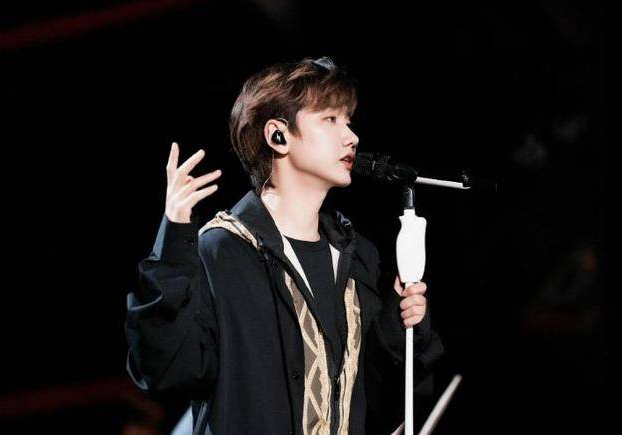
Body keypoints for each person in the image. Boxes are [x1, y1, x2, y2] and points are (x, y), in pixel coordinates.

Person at [125, 56, 444, 435]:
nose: (351, 136)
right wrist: (173, 243)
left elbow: (375, 401)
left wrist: (400, 325)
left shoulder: (357, 256)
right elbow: (166, 371)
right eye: (330, 119)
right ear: (278, 135)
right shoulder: (224, 250)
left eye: (348, 121)